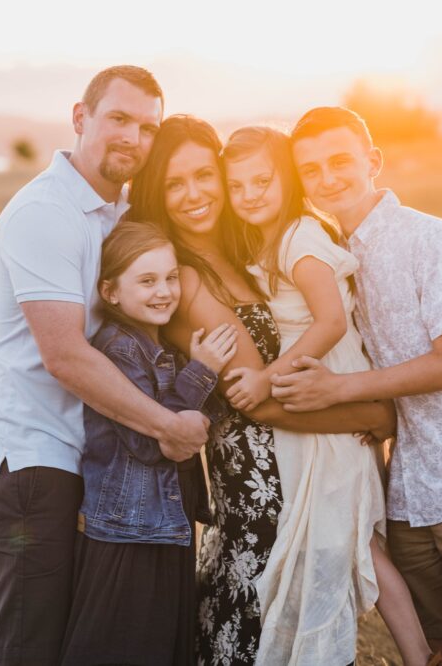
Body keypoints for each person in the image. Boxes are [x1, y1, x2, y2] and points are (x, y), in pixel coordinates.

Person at [125, 115, 396, 666]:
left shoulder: (253, 244)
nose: (196, 194)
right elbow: (259, 399)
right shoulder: (188, 276)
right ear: (157, 191)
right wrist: (374, 413)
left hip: (302, 463)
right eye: (175, 184)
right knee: (256, 636)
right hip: (262, 483)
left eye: (205, 175)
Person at [0, 66, 212, 666]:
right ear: (81, 118)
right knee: (33, 647)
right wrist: (167, 425)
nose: (133, 137)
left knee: (83, 645)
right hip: (31, 464)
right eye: (119, 119)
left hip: (88, 460)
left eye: (148, 127)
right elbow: (65, 355)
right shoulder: (45, 214)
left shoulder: (114, 214)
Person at [273, 106, 442, 666]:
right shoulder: (328, 258)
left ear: (374, 161)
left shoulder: (425, 236)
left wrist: (338, 389)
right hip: (407, 488)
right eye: (311, 170)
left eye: (339, 161)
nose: (327, 178)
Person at [220, 125, 442, 666]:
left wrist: (267, 377)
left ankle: (420, 657)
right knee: (350, 536)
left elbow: (332, 321)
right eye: (238, 185)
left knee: (352, 536)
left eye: (262, 180)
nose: (250, 194)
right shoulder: (280, 237)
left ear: (287, 180)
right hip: (316, 385)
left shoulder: (298, 237)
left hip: (322, 383)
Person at [60, 222, 236, 665]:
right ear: (111, 291)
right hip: (127, 533)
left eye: (171, 277)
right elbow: (150, 441)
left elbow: (194, 419)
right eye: (147, 280)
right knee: (125, 649)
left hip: (161, 527)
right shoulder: (119, 348)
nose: (164, 291)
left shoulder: (159, 346)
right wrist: (203, 370)